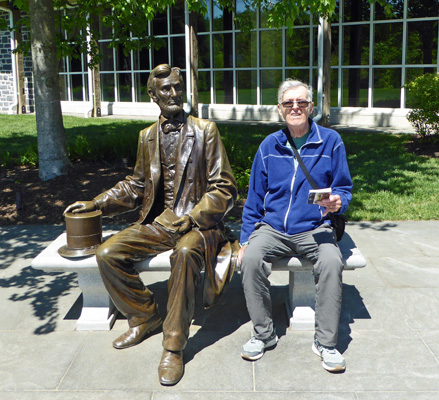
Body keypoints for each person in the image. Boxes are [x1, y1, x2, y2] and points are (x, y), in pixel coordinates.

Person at [64, 64, 237, 386]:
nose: (174, 94)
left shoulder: (205, 131)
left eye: (177, 87)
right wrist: (97, 203)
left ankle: (173, 345)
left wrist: (193, 216)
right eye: (166, 89)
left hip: (198, 225)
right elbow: (137, 185)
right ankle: (145, 315)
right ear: (153, 95)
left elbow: (224, 187)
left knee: (185, 255)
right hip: (159, 223)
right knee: (108, 254)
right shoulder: (147, 136)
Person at [238, 79, 352, 372]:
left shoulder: (331, 142)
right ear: (280, 109)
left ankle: (326, 343)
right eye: (289, 103)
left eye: (301, 102)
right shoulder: (269, 145)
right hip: (274, 227)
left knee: (331, 262)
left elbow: (344, 188)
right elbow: (254, 198)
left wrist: (338, 201)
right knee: (250, 260)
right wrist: (244, 240)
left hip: (315, 227)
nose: (295, 108)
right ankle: (264, 334)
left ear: (311, 107)